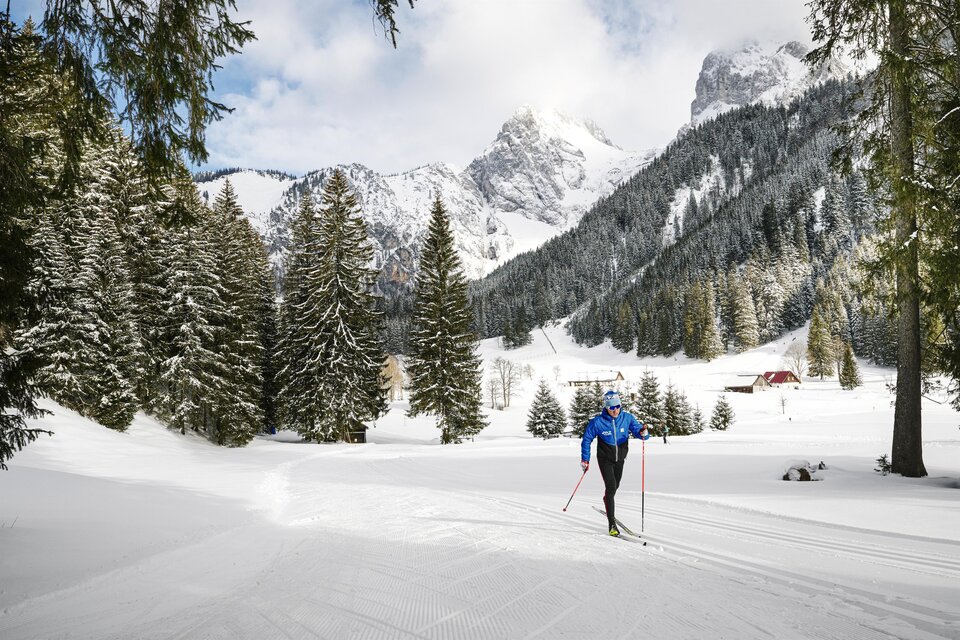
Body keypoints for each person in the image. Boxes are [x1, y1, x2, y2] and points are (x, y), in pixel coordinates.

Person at [580, 390, 649, 536]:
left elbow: (638, 431)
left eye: (617, 406)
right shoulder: (597, 422)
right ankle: (611, 524)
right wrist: (585, 459)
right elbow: (586, 439)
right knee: (611, 487)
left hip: (620, 459)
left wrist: (643, 433)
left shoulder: (627, 418)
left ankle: (607, 499)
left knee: (615, 486)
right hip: (604, 458)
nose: (615, 410)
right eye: (611, 407)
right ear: (606, 407)